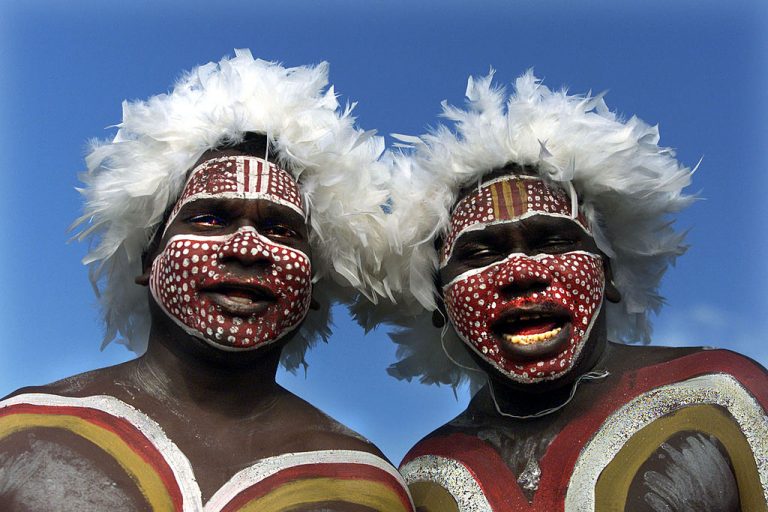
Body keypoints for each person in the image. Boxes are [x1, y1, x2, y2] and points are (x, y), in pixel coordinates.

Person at [0, 50, 413, 512]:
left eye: (281, 230)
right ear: (147, 259)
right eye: (211, 218)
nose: (248, 248)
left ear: (314, 291)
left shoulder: (367, 488)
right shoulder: (19, 433)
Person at [382, 71, 768, 511]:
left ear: (610, 276)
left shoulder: (725, 395)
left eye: (554, 241)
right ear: (440, 303)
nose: (522, 273)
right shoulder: (420, 479)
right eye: (481, 253)